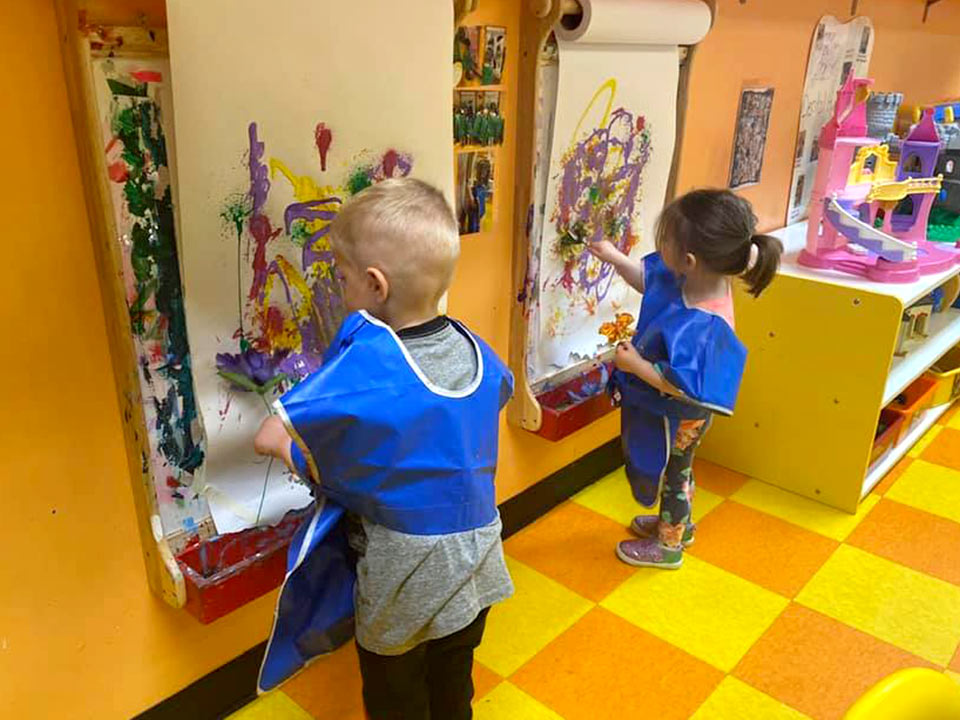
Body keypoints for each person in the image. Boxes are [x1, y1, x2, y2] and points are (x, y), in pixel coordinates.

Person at [254, 178, 514, 718]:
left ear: (374, 285)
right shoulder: (476, 347)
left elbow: (270, 436)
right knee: (452, 686)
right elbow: (496, 395)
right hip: (476, 564)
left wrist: (302, 453)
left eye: (342, 277)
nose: (338, 288)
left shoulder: (369, 363)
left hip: (405, 579)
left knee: (396, 701)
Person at [588, 189, 782, 569]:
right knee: (679, 468)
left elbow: (680, 383)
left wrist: (635, 365)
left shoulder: (706, 324)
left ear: (689, 260)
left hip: (683, 412)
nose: (661, 251)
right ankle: (677, 525)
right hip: (670, 406)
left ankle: (669, 546)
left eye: (666, 244)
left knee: (674, 473)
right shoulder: (695, 277)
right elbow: (649, 282)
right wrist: (614, 257)